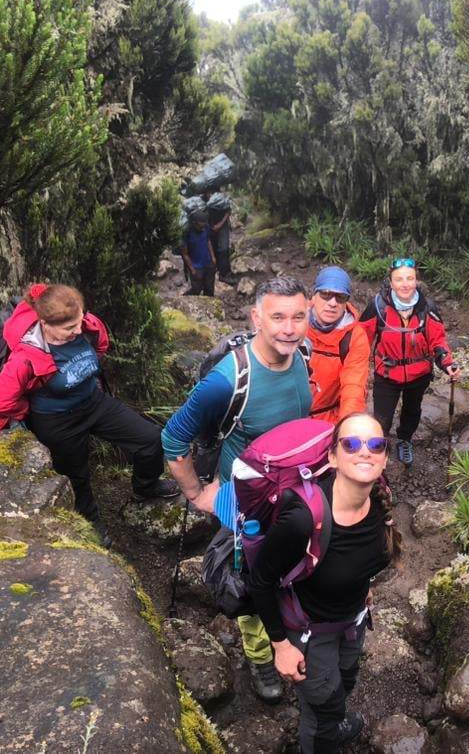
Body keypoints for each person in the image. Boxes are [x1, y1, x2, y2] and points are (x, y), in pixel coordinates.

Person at [161, 276, 312, 704]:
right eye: (278, 316)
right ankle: (261, 656)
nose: (288, 327)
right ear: (256, 317)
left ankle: (291, 629)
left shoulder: (303, 354)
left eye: (298, 316)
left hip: (293, 492)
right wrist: (197, 494)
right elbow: (173, 440)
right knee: (248, 585)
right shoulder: (228, 380)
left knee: (292, 569)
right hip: (244, 503)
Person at [0, 284, 179, 542]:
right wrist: (28, 412)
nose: (78, 330)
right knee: (76, 475)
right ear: (45, 324)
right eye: (69, 329)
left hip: (94, 403)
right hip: (57, 421)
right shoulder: (26, 356)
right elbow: (1, 401)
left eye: (79, 322)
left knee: (150, 439)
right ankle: (90, 521)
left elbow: (100, 345)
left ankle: (146, 487)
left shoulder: (85, 327)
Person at [250, 412, 401, 753]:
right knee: (323, 706)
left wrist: (362, 585)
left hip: (353, 618)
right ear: (333, 456)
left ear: (385, 457)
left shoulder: (378, 498)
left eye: (376, 445)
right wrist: (280, 646)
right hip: (308, 630)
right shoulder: (304, 518)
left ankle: (332, 722)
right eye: (352, 444)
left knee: (345, 682)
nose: (366, 451)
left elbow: (364, 558)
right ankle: (324, 732)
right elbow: (260, 580)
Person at [359, 259, 460, 466]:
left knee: (412, 411)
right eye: (399, 279)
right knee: (381, 417)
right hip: (386, 374)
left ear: (416, 281)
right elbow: (360, 339)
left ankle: (404, 440)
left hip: (419, 374)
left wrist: (446, 361)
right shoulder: (378, 307)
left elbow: (438, 339)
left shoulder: (426, 307)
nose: (405, 284)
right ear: (391, 282)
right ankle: (379, 447)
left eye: (410, 278)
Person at [306, 266, 370, 424]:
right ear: (313, 296)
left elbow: (353, 386)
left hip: (327, 419)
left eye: (340, 297)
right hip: (287, 417)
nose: (332, 303)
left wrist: (347, 427)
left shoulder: (354, 336)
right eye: (326, 294)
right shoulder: (293, 322)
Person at [179, 208, 216, 296]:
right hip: (196, 266)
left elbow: (208, 241)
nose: (202, 228)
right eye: (200, 226)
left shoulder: (205, 227)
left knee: (209, 288)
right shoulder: (187, 233)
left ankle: (210, 307)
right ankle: (185, 298)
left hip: (208, 262)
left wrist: (213, 257)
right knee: (196, 289)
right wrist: (192, 269)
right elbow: (185, 254)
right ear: (194, 223)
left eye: (204, 225)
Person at [205, 191, 233, 283]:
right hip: (212, 226)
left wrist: (222, 223)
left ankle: (224, 274)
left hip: (221, 225)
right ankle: (216, 268)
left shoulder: (223, 202)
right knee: (214, 246)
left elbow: (228, 212)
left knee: (223, 249)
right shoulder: (207, 207)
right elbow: (211, 226)